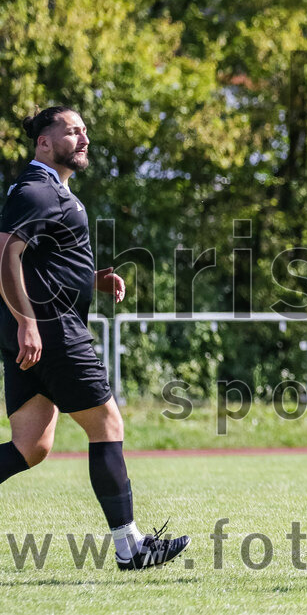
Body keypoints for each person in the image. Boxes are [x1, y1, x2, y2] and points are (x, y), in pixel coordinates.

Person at [0, 106, 190, 570]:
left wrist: (92, 279)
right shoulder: (37, 189)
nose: (84, 138)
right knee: (107, 425)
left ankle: (129, 546)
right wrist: (27, 320)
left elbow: (40, 258)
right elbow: (5, 253)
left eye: (85, 130)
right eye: (72, 131)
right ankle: (131, 548)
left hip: (35, 332)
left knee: (31, 446)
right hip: (53, 332)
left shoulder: (52, 190)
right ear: (44, 142)